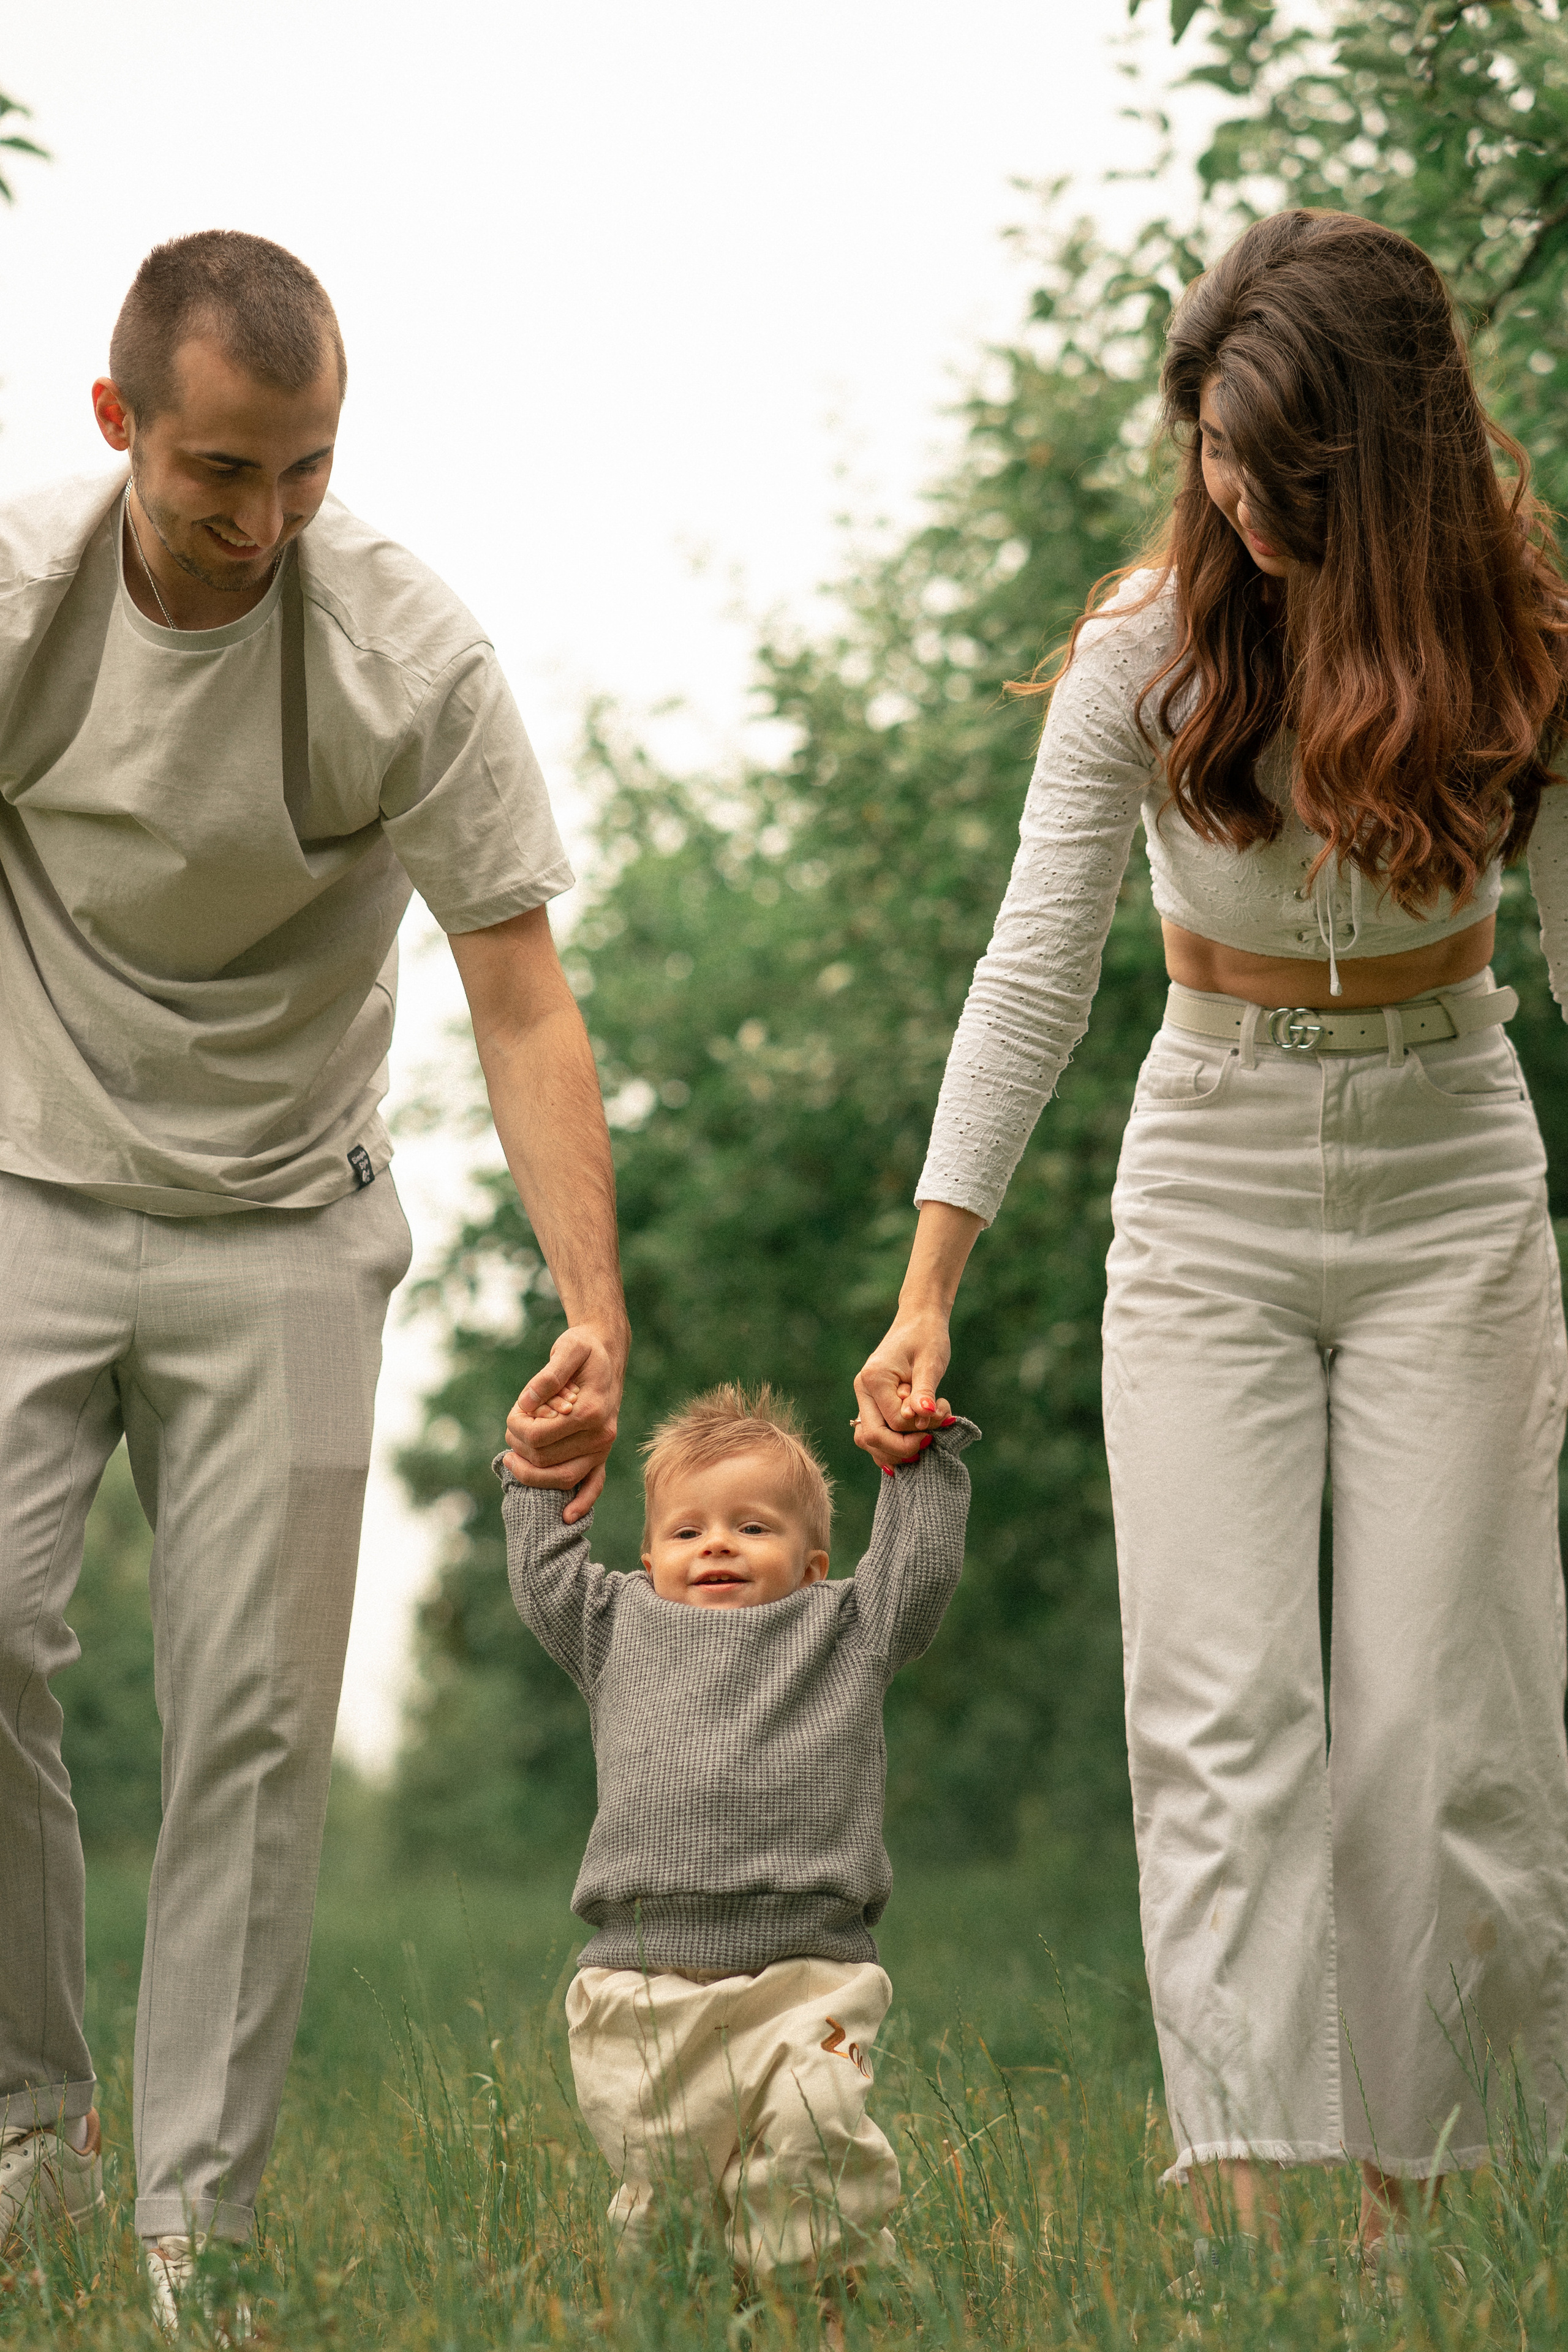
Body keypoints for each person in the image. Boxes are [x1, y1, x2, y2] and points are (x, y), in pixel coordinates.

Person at [853, 209, 1568, 2256]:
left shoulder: (1521, 639)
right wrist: (930, 1284)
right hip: (1212, 1184)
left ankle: (1422, 2208)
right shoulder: (1144, 653)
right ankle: (1248, 2203)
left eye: (1281, 468)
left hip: (1451, 1175)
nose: (1237, 496)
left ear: (1390, 465)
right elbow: (1031, 975)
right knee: (1224, 1709)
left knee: (1447, 1717)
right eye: (1217, 455)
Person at [0, 232, 628, 2328]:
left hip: (284, 1220)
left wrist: (590, 1303)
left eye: (308, 470)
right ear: (120, 431)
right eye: (218, 476)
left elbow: (520, 993)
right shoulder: (21, 596)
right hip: (25, 1188)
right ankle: (28, 2126)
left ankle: (197, 2231)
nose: (263, 522)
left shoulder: (401, 654)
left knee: (252, 1728)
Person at [496, 1380, 978, 2296]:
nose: (716, 1542)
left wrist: (918, 1460)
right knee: (669, 2198)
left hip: (810, 1972)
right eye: (687, 1531)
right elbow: (544, 1577)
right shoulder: (616, 1626)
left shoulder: (847, 1626)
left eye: (753, 1527)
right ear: (648, 1556)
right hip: (642, 1981)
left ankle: (817, 2305)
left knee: (816, 2135)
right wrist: (538, 1470)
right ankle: (679, 2312)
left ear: (811, 1561)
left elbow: (918, 1569)